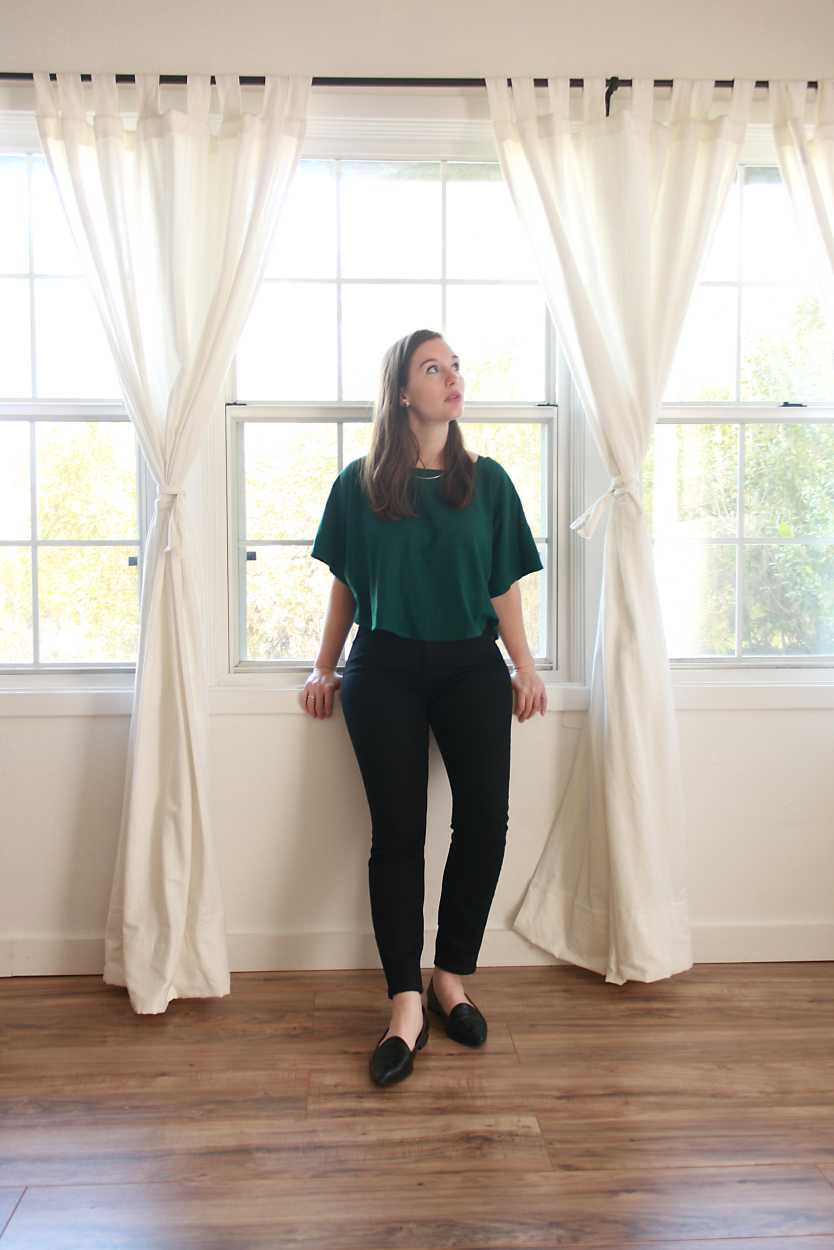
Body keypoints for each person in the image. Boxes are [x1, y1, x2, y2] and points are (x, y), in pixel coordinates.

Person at [299, 328, 546, 1088]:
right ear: (403, 391)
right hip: (386, 667)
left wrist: (524, 664)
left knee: (484, 820)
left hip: (472, 666)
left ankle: (452, 977)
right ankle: (405, 1001)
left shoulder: (488, 480)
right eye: (432, 369)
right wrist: (324, 666)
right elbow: (346, 580)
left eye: (455, 367)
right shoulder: (361, 483)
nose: (451, 378)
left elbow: (501, 583)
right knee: (398, 833)